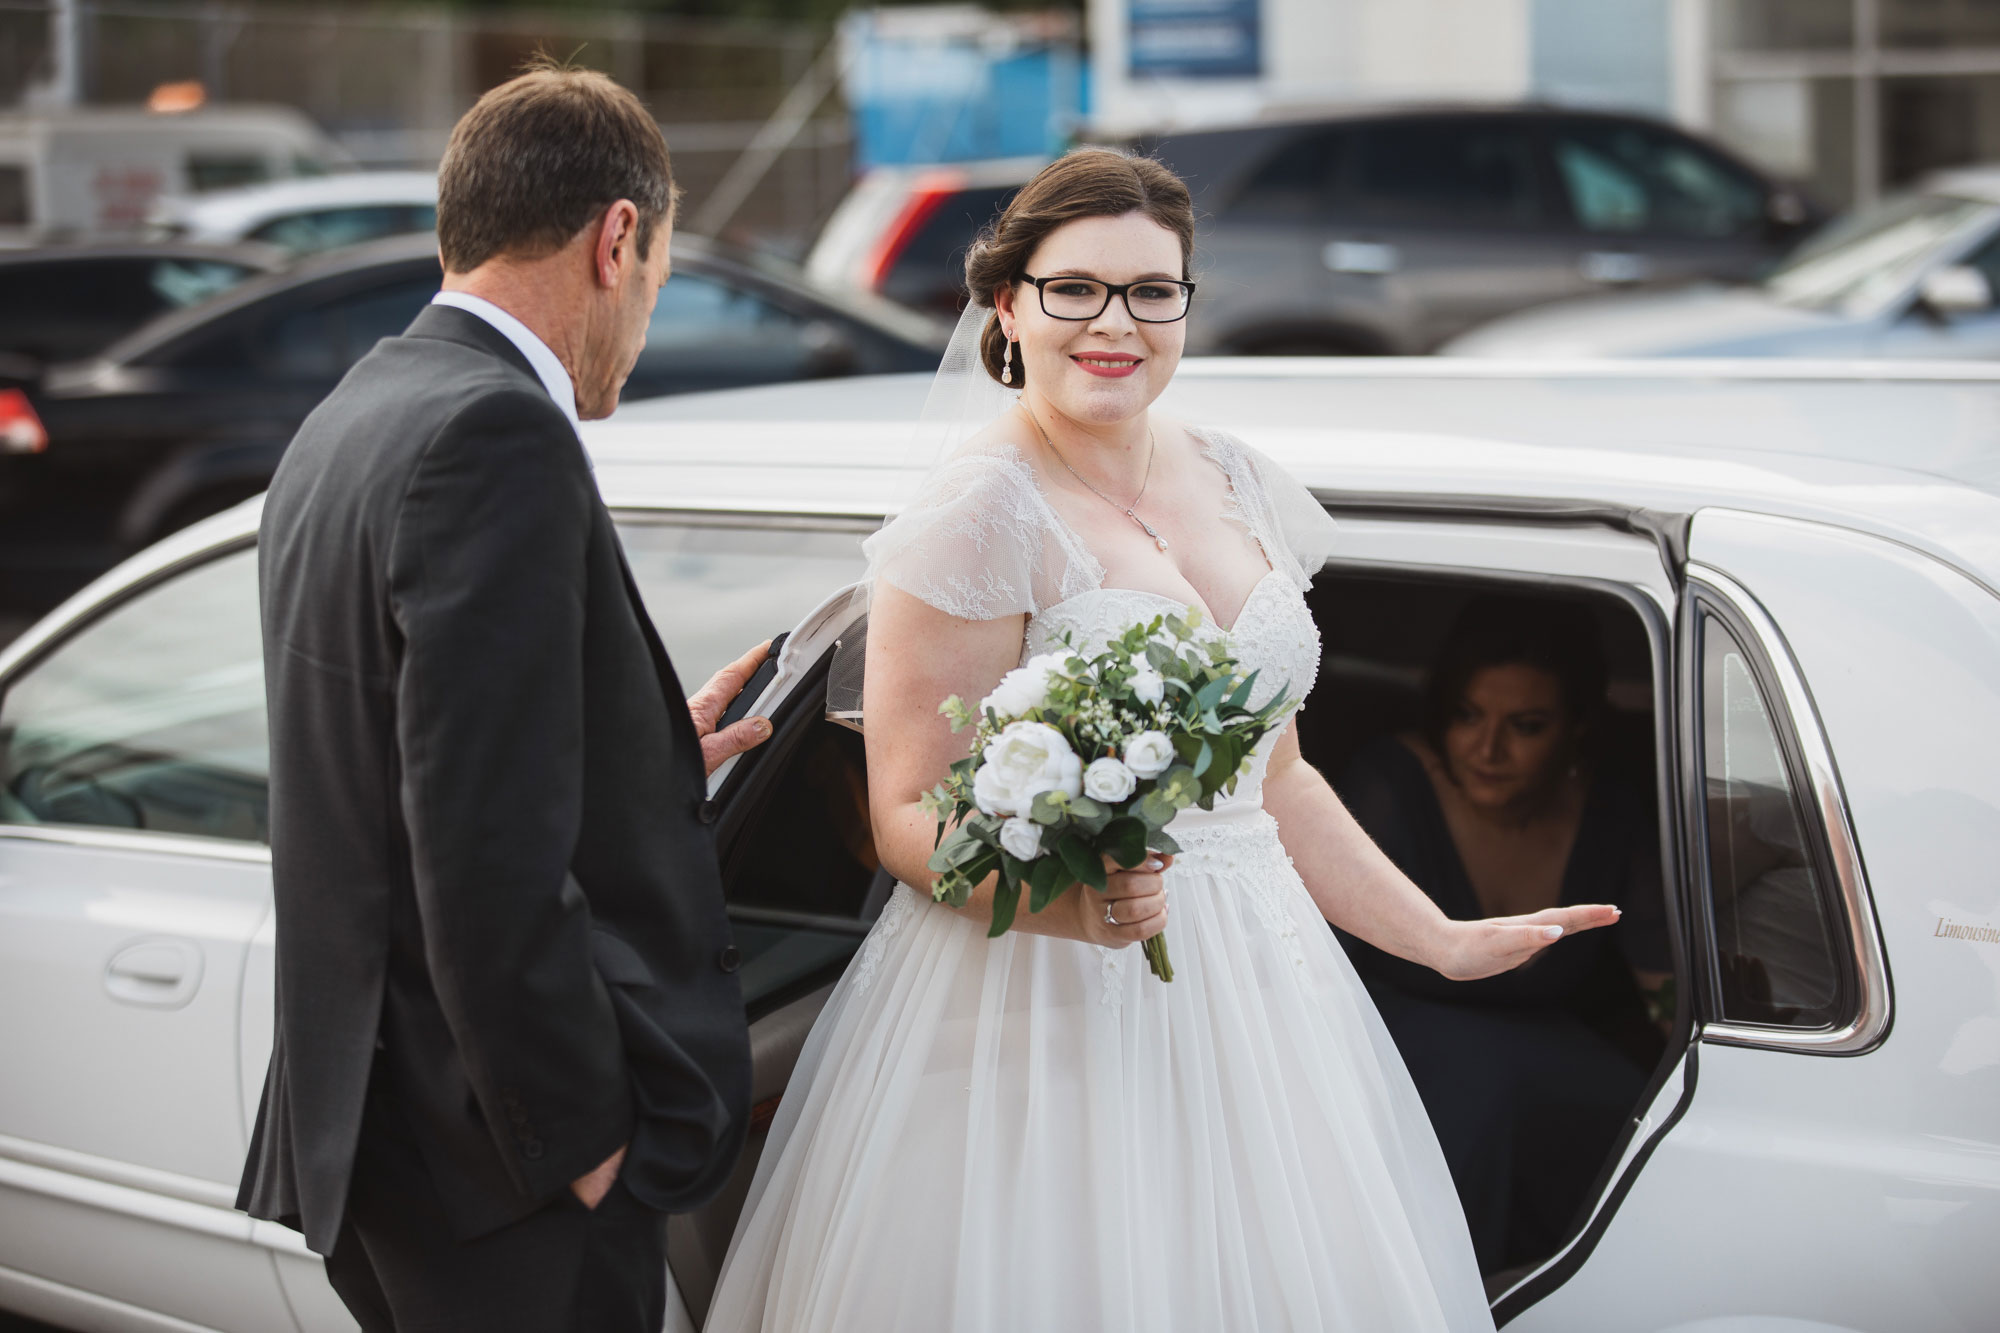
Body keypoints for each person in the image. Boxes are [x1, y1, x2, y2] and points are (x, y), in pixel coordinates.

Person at [703, 149, 1619, 1333]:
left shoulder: (1238, 475)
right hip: (1041, 994)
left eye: (1151, 290)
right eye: (1074, 288)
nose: (1114, 323)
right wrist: (1070, 905)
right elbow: (906, 813)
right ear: (1007, 307)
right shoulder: (978, 511)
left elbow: (1274, 775)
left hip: (1264, 985)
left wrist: (1435, 940)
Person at [237, 61, 773, 1333]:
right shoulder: (498, 434)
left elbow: (405, 756)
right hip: (505, 1174)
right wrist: (579, 1145)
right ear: (619, 237)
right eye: (655, 276)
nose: (643, 317)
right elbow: (477, 851)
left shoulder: (354, 411)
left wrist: (640, 755)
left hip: (383, 1136)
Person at [1334, 595, 1672, 1273]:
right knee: (1477, 1086)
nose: (1487, 749)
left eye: (1527, 725)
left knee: (1642, 1123)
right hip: (1388, 1049)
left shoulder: (1610, 814)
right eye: (1466, 715)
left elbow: (1662, 988)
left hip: (1546, 1059)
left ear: (1577, 727)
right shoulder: (1386, 788)